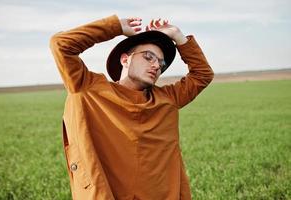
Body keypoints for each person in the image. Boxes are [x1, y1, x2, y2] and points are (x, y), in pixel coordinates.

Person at [50, 14, 214, 200]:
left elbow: (202, 75)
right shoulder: (89, 88)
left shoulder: (167, 99)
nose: (156, 66)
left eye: (161, 63)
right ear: (125, 60)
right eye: (148, 57)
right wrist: (115, 27)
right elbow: (61, 44)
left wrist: (177, 35)